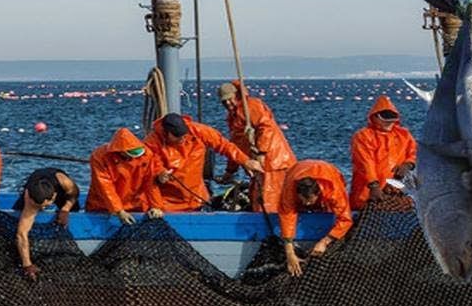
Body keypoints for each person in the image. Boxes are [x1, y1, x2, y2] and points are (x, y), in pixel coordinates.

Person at [144, 113, 263, 212]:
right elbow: (151, 168)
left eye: (184, 135)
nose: (182, 139)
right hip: (169, 204)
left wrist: (245, 160)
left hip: (197, 198)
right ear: (166, 133)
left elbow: (223, 145)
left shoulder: (197, 130)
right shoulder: (152, 143)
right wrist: (160, 174)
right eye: (177, 136)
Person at [217, 80, 296, 212]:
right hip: (260, 166)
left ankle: (272, 229)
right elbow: (236, 144)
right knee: (258, 198)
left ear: (236, 95)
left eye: (229, 99)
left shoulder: (251, 106)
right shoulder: (234, 116)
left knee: (269, 200)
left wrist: (261, 154)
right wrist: (230, 171)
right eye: (224, 101)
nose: (228, 104)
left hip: (275, 162)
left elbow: (266, 127)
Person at [278, 159, 352, 277]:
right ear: (297, 194)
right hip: (296, 171)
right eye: (304, 200)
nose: (307, 204)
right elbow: (287, 216)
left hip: (329, 172)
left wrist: (325, 241)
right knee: (290, 208)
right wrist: (289, 252)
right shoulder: (290, 189)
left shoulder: (334, 190)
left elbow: (346, 219)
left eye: (310, 200)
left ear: (318, 194)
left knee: (329, 212)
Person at [349, 95, 417, 210]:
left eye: (391, 120)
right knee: (366, 218)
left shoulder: (403, 135)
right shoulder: (363, 136)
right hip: (367, 193)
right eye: (385, 120)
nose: (389, 124)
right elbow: (366, 163)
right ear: (374, 117)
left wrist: (408, 164)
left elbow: (413, 152)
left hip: (395, 189)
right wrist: (374, 186)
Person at [12, 168, 80, 281]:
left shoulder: (64, 182)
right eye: (39, 207)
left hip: (59, 187)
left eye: (45, 206)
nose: (43, 209)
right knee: (18, 215)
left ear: (53, 197)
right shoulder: (30, 199)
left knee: (74, 207)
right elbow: (21, 234)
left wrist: (66, 209)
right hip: (36, 188)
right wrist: (27, 265)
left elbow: (74, 193)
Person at [85, 128, 163, 224]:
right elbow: (105, 186)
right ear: (120, 151)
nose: (135, 158)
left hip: (136, 205)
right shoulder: (100, 157)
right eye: (130, 154)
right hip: (102, 206)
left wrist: (156, 206)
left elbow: (150, 182)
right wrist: (119, 210)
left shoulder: (146, 155)